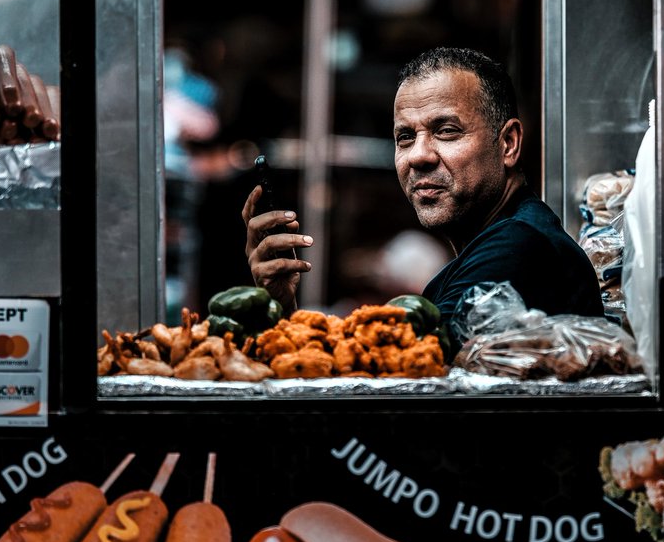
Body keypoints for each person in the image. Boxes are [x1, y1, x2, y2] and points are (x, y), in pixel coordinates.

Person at [242, 46, 603, 334]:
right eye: (405, 137)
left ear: (508, 143)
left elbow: (400, 380)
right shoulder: (498, 245)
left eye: (446, 131)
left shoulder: (520, 246)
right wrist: (283, 311)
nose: (418, 156)